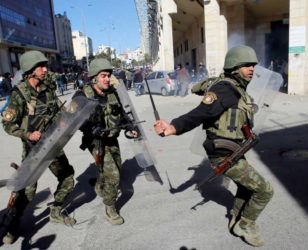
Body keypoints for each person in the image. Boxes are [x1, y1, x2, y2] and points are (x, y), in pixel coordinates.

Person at [154, 46, 273, 247]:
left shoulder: (236, 86)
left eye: (253, 65)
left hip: (234, 148)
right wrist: (174, 126)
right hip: (223, 152)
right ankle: (246, 224)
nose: (252, 69)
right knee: (264, 191)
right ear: (234, 67)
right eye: (247, 65)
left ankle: (236, 218)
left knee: (247, 186)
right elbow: (202, 112)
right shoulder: (225, 88)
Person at [1, 51, 76, 244]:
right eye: (41, 66)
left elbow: (59, 110)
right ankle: (12, 224)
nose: (45, 69)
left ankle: (56, 210)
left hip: (53, 144)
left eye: (45, 65)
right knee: (27, 192)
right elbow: (8, 125)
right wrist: (27, 134)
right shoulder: (19, 94)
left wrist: (67, 116)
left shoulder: (48, 88)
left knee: (67, 178)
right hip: (33, 150)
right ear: (30, 71)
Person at [72, 58, 138, 225]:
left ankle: (100, 184)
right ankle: (110, 207)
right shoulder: (81, 95)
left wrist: (129, 126)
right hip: (96, 141)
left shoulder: (111, 92)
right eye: (103, 76)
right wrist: (89, 128)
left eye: (108, 75)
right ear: (94, 77)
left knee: (116, 164)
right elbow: (71, 119)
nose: (107, 79)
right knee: (113, 174)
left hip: (111, 138)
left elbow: (121, 112)